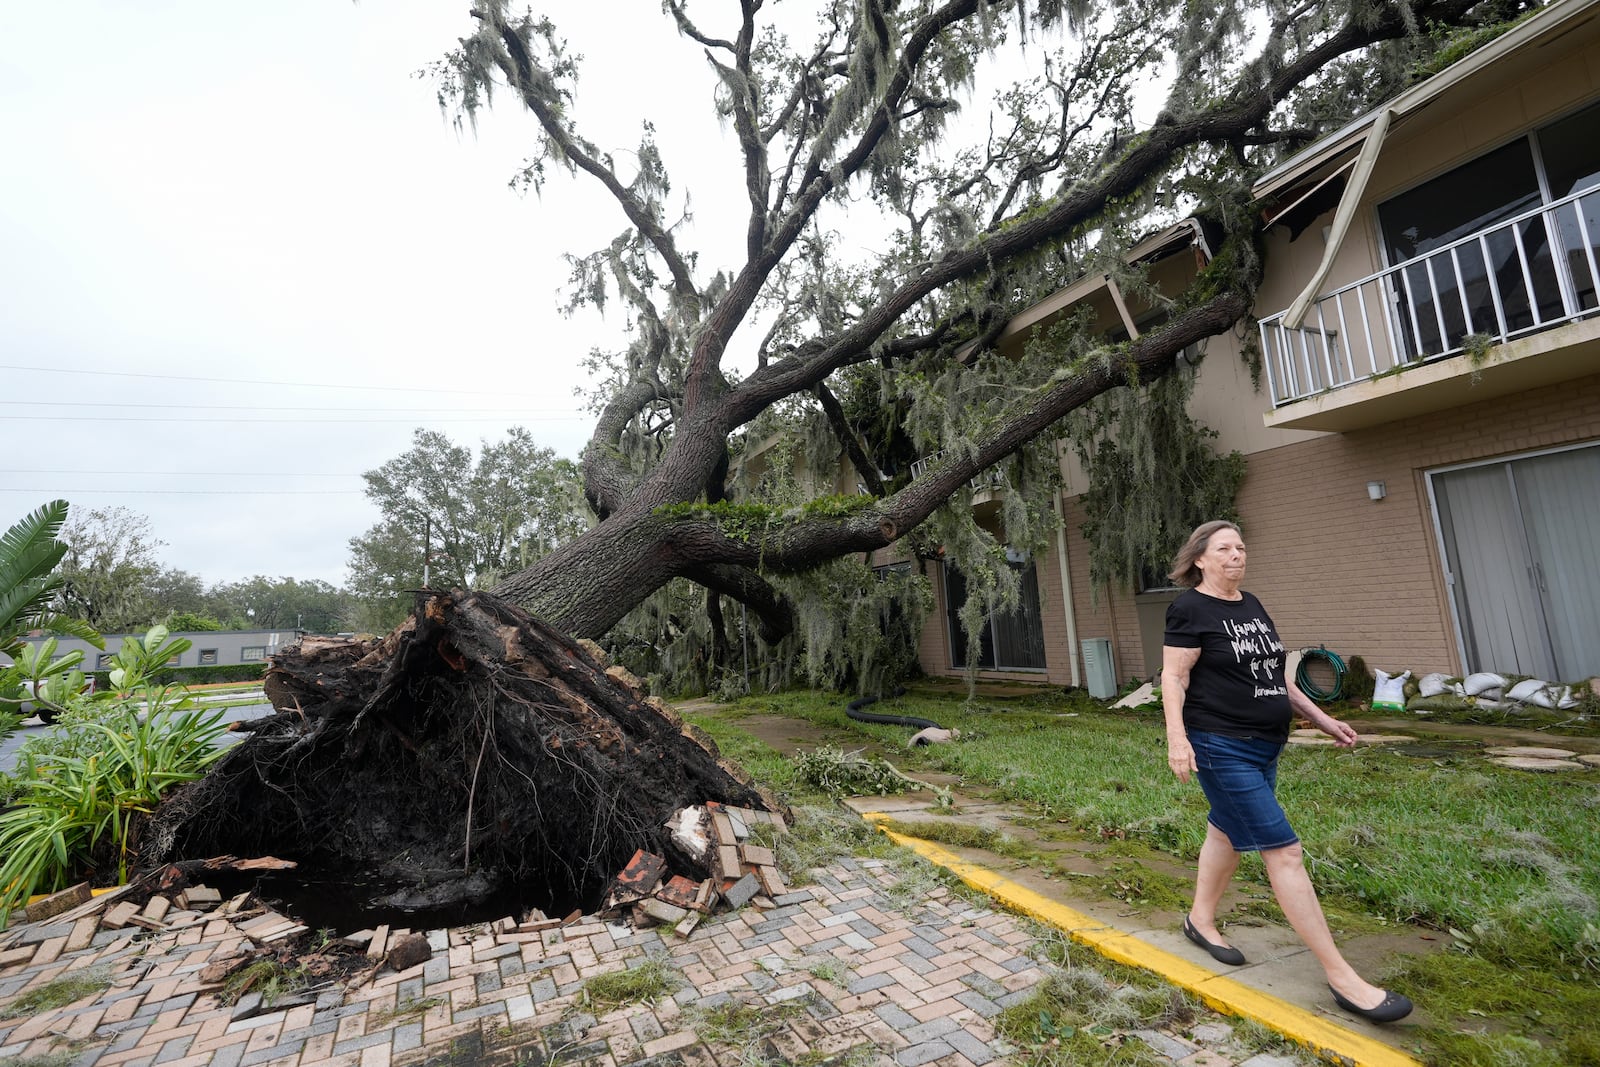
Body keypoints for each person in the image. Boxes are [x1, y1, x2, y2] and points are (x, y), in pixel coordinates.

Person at [1161, 520, 1413, 1024]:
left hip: (1265, 746)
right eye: (1225, 549)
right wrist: (1177, 740)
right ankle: (1343, 977)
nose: (1237, 555)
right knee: (1285, 851)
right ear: (1201, 560)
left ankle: (1200, 920)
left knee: (1226, 830)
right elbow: (1174, 674)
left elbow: (1275, 679)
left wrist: (1321, 718)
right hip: (1220, 745)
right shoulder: (1189, 608)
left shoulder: (1251, 605)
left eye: (1241, 547)